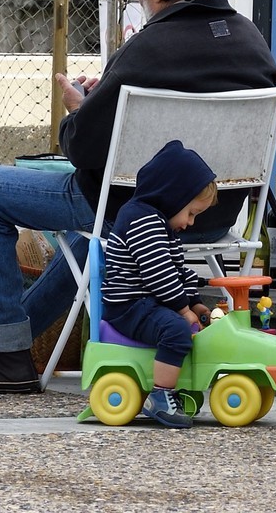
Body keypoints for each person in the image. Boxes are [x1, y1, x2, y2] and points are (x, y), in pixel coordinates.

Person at [0, 0, 276, 395]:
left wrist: (79, 108)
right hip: (217, 216)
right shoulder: (251, 41)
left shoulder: (148, 49)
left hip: (130, 212)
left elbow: (84, 150)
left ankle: (2, 353)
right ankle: (14, 344)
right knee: (90, 241)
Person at [96, 141, 220, 430]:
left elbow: (177, 269)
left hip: (147, 301)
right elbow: (158, 274)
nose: (190, 222)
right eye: (190, 213)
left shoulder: (159, 222)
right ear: (173, 196)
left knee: (185, 323)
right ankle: (160, 396)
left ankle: (180, 385)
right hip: (129, 306)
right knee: (176, 330)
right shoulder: (141, 219)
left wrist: (195, 301)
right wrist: (182, 309)